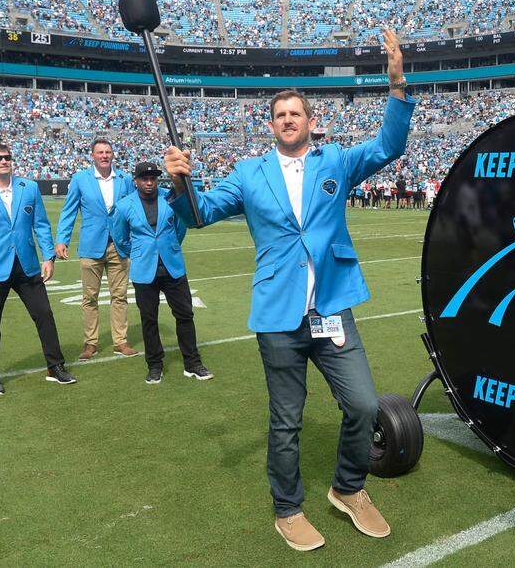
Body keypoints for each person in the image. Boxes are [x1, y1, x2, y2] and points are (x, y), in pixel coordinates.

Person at [163, 27, 413, 552]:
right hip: (279, 315)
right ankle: (288, 508)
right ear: (271, 126)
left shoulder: (336, 162)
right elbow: (200, 214)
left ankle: (348, 488)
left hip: (333, 309)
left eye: (295, 113)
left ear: (310, 121)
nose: (288, 120)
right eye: (279, 116)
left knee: (365, 405)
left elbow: (390, 145)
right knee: (286, 421)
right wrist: (181, 183)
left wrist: (396, 84)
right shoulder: (250, 173)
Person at [0, 143, 75, 396]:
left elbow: (40, 224)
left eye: (7, 157)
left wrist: (48, 256)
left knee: (44, 315)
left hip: (27, 265)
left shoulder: (28, 187)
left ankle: (55, 366)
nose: (4, 161)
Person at [109, 162, 211, 384]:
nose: (149, 182)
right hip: (144, 269)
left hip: (173, 266)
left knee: (185, 315)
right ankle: (155, 365)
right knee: (149, 320)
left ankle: (192, 363)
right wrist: (138, 253)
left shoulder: (170, 198)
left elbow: (181, 226)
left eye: (153, 178)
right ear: (135, 181)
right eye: (144, 179)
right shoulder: (125, 205)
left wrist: (170, 246)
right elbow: (119, 237)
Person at [55, 139, 137, 361]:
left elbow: (133, 209)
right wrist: (62, 239)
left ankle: (120, 341)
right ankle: (90, 342)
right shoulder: (81, 179)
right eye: (100, 152)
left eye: (108, 152)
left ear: (113, 155)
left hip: (119, 246)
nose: (104, 155)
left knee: (119, 296)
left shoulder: (125, 179)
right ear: (92, 155)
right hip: (91, 246)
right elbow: (69, 211)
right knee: (89, 297)